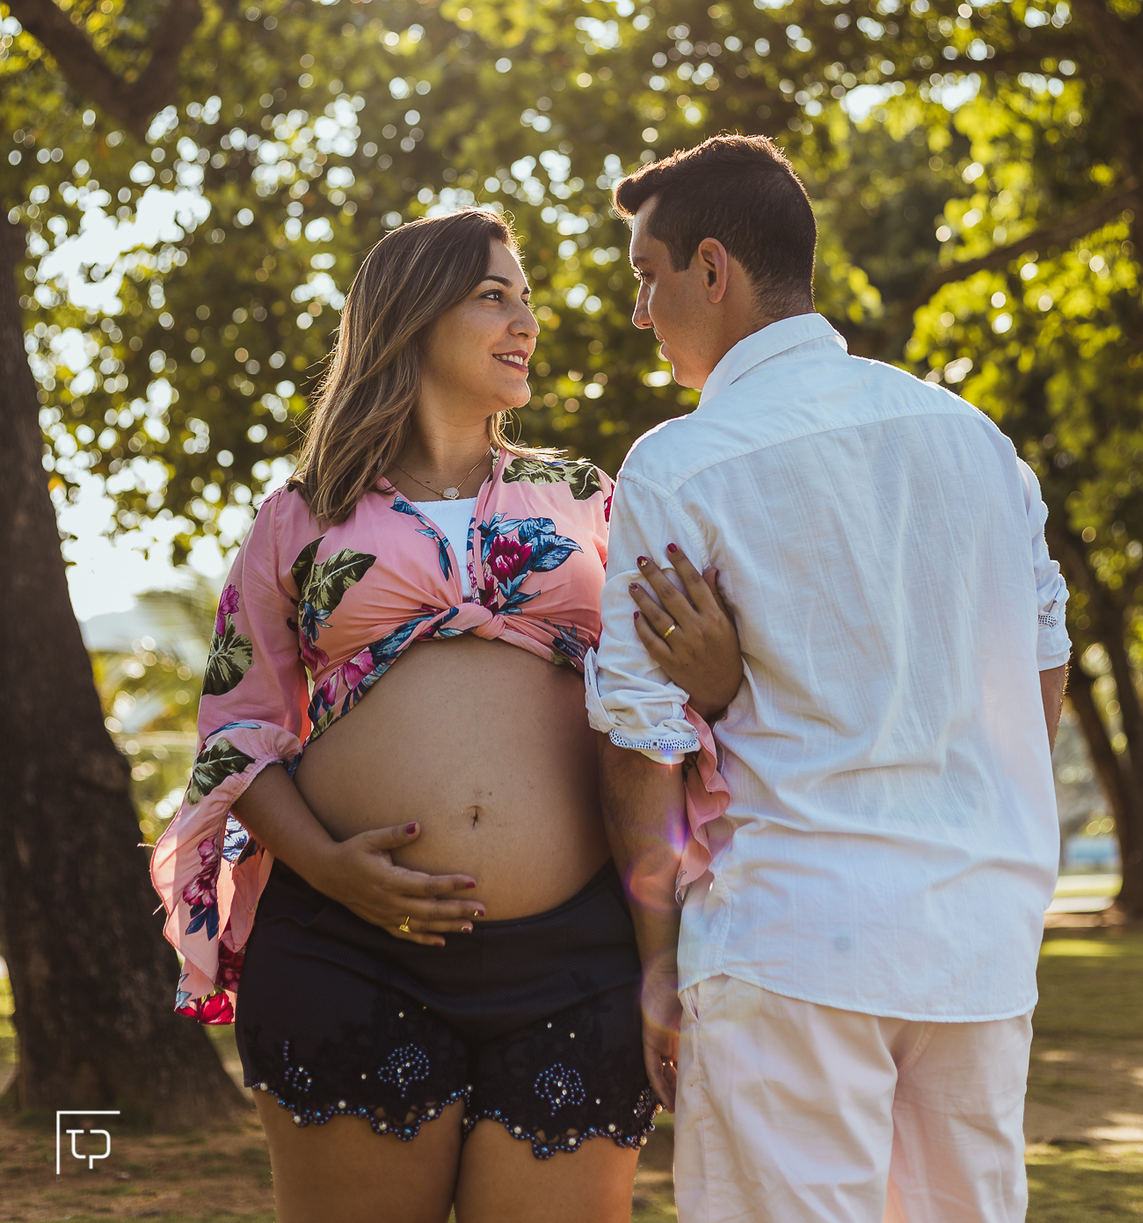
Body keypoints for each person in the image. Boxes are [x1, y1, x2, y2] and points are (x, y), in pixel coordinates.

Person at [150, 207, 739, 1223]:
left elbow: (665, 699)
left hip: (576, 957)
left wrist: (721, 673)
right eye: (493, 296)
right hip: (347, 947)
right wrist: (328, 866)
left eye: (526, 296)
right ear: (416, 317)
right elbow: (242, 729)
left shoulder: (588, 497)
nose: (528, 320)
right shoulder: (302, 515)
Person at [585, 134, 1073, 1223]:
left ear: (712, 270)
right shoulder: (977, 442)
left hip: (788, 936)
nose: (640, 313)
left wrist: (657, 966)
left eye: (646, 276)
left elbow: (638, 736)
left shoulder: (682, 461)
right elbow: (1043, 669)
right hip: (978, 941)